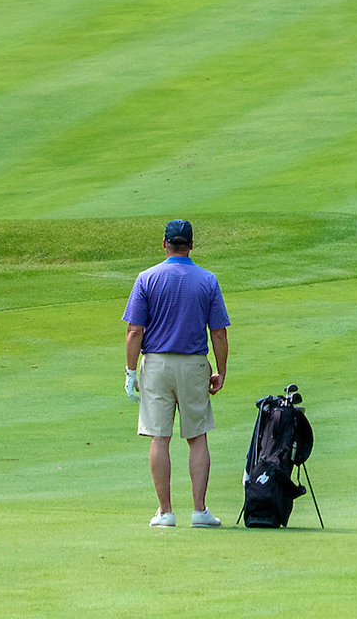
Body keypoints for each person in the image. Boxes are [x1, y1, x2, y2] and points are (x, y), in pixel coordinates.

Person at [123, 219, 230, 529]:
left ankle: (165, 512)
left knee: (160, 437)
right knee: (197, 437)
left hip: (156, 365)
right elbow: (219, 333)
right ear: (192, 245)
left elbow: (134, 331)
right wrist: (221, 371)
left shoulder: (146, 278)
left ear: (165, 244)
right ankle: (199, 511)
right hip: (194, 365)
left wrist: (131, 372)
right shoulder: (207, 280)